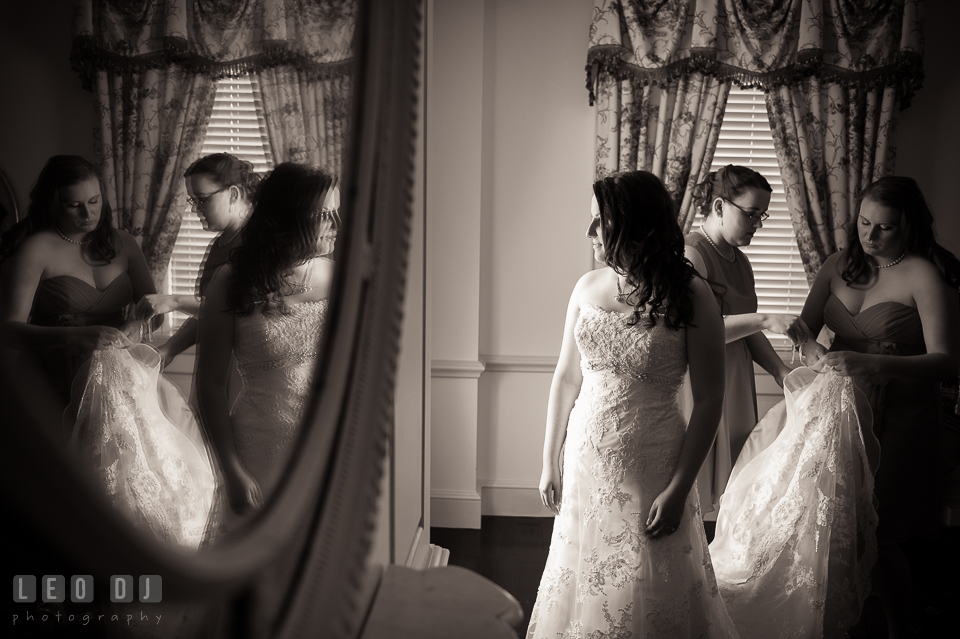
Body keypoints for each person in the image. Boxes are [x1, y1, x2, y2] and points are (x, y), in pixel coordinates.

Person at [528, 171, 737, 638]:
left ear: (635, 224)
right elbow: (565, 378)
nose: (589, 233)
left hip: (652, 464)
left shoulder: (693, 295)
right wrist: (549, 460)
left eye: (599, 221)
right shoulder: (586, 287)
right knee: (586, 574)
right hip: (584, 462)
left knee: (646, 583)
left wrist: (681, 488)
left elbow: (708, 400)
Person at [794, 176, 959, 638]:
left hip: (902, 415)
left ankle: (897, 627)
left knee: (879, 529)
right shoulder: (837, 264)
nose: (870, 236)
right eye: (864, 222)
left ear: (907, 226)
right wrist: (814, 355)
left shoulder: (925, 275)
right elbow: (804, 330)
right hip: (837, 411)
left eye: (884, 228)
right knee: (830, 521)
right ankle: (828, 621)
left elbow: (947, 361)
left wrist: (868, 362)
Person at [196, 162, 340, 519]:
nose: (335, 225)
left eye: (335, 213)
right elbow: (211, 383)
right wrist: (231, 470)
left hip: (328, 448)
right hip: (259, 450)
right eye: (324, 215)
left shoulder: (340, 277)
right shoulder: (231, 281)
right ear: (289, 216)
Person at [684, 165, 810, 519]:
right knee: (696, 482)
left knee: (733, 485)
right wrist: (768, 318)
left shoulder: (741, 262)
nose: (758, 223)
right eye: (751, 214)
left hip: (735, 379)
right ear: (720, 206)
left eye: (762, 215)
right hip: (702, 379)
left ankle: (718, 563)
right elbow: (698, 330)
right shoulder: (691, 254)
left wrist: (781, 371)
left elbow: (748, 331)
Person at [0, 155, 158, 420]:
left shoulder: (124, 243)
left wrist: (138, 326)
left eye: (94, 201)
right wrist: (74, 336)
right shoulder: (35, 250)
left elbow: (156, 310)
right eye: (74, 205)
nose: (88, 214)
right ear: (54, 205)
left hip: (115, 380)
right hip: (49, 382)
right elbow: (8, 332)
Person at [135, 152, 260, 369]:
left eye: (202, 199)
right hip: (216, 360)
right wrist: (168, 350)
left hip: (246, 367)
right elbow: (208, 313)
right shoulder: (218, 245)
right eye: (193, 200)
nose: (194, 209)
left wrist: (175, 301)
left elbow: (241, 311)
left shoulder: (258, 244)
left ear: (233, 194)